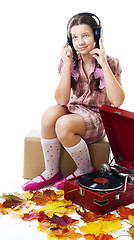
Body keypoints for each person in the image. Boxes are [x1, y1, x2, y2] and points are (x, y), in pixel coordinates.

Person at [22, 12, 125, 191]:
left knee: (63, 124)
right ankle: (51, 171)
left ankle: (85, 169)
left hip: (97, 117)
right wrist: (67, 64)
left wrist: (104, 64)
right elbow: (61, 100)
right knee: (49, 114)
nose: (80, 42)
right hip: (76, 110)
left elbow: (117, 102)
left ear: (97, 36)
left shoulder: (111, 62)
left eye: (85, 35)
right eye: (75, 37)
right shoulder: (70, 61)